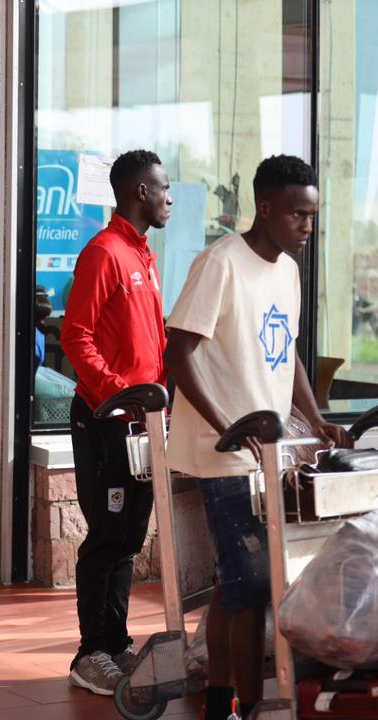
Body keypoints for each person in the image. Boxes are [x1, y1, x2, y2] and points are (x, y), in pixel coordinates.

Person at [163, 155, 352, 720]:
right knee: (250, 587)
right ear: (264, 208)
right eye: (298, 215)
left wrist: (314, 419)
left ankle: (219, 701)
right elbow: (177, 352)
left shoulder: (287, 272)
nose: (307, 228)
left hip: (265, 454)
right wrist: (227, 425)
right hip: (223, 456)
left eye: (313, 217)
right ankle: (252, 706)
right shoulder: (220, 263)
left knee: (237, 585)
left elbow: (285, 347)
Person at [60, 149, 172, 695]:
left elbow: (155, 341)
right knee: (106, 536)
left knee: (129, 536)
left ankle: (117, 642)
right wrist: (116, 395)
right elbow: (74, 336)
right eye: (163, 188)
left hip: (142, 423)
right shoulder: (104, 253)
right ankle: (89, 654)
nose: (170, 197)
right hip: (106, 421)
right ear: (139, 192)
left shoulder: (144, 256)